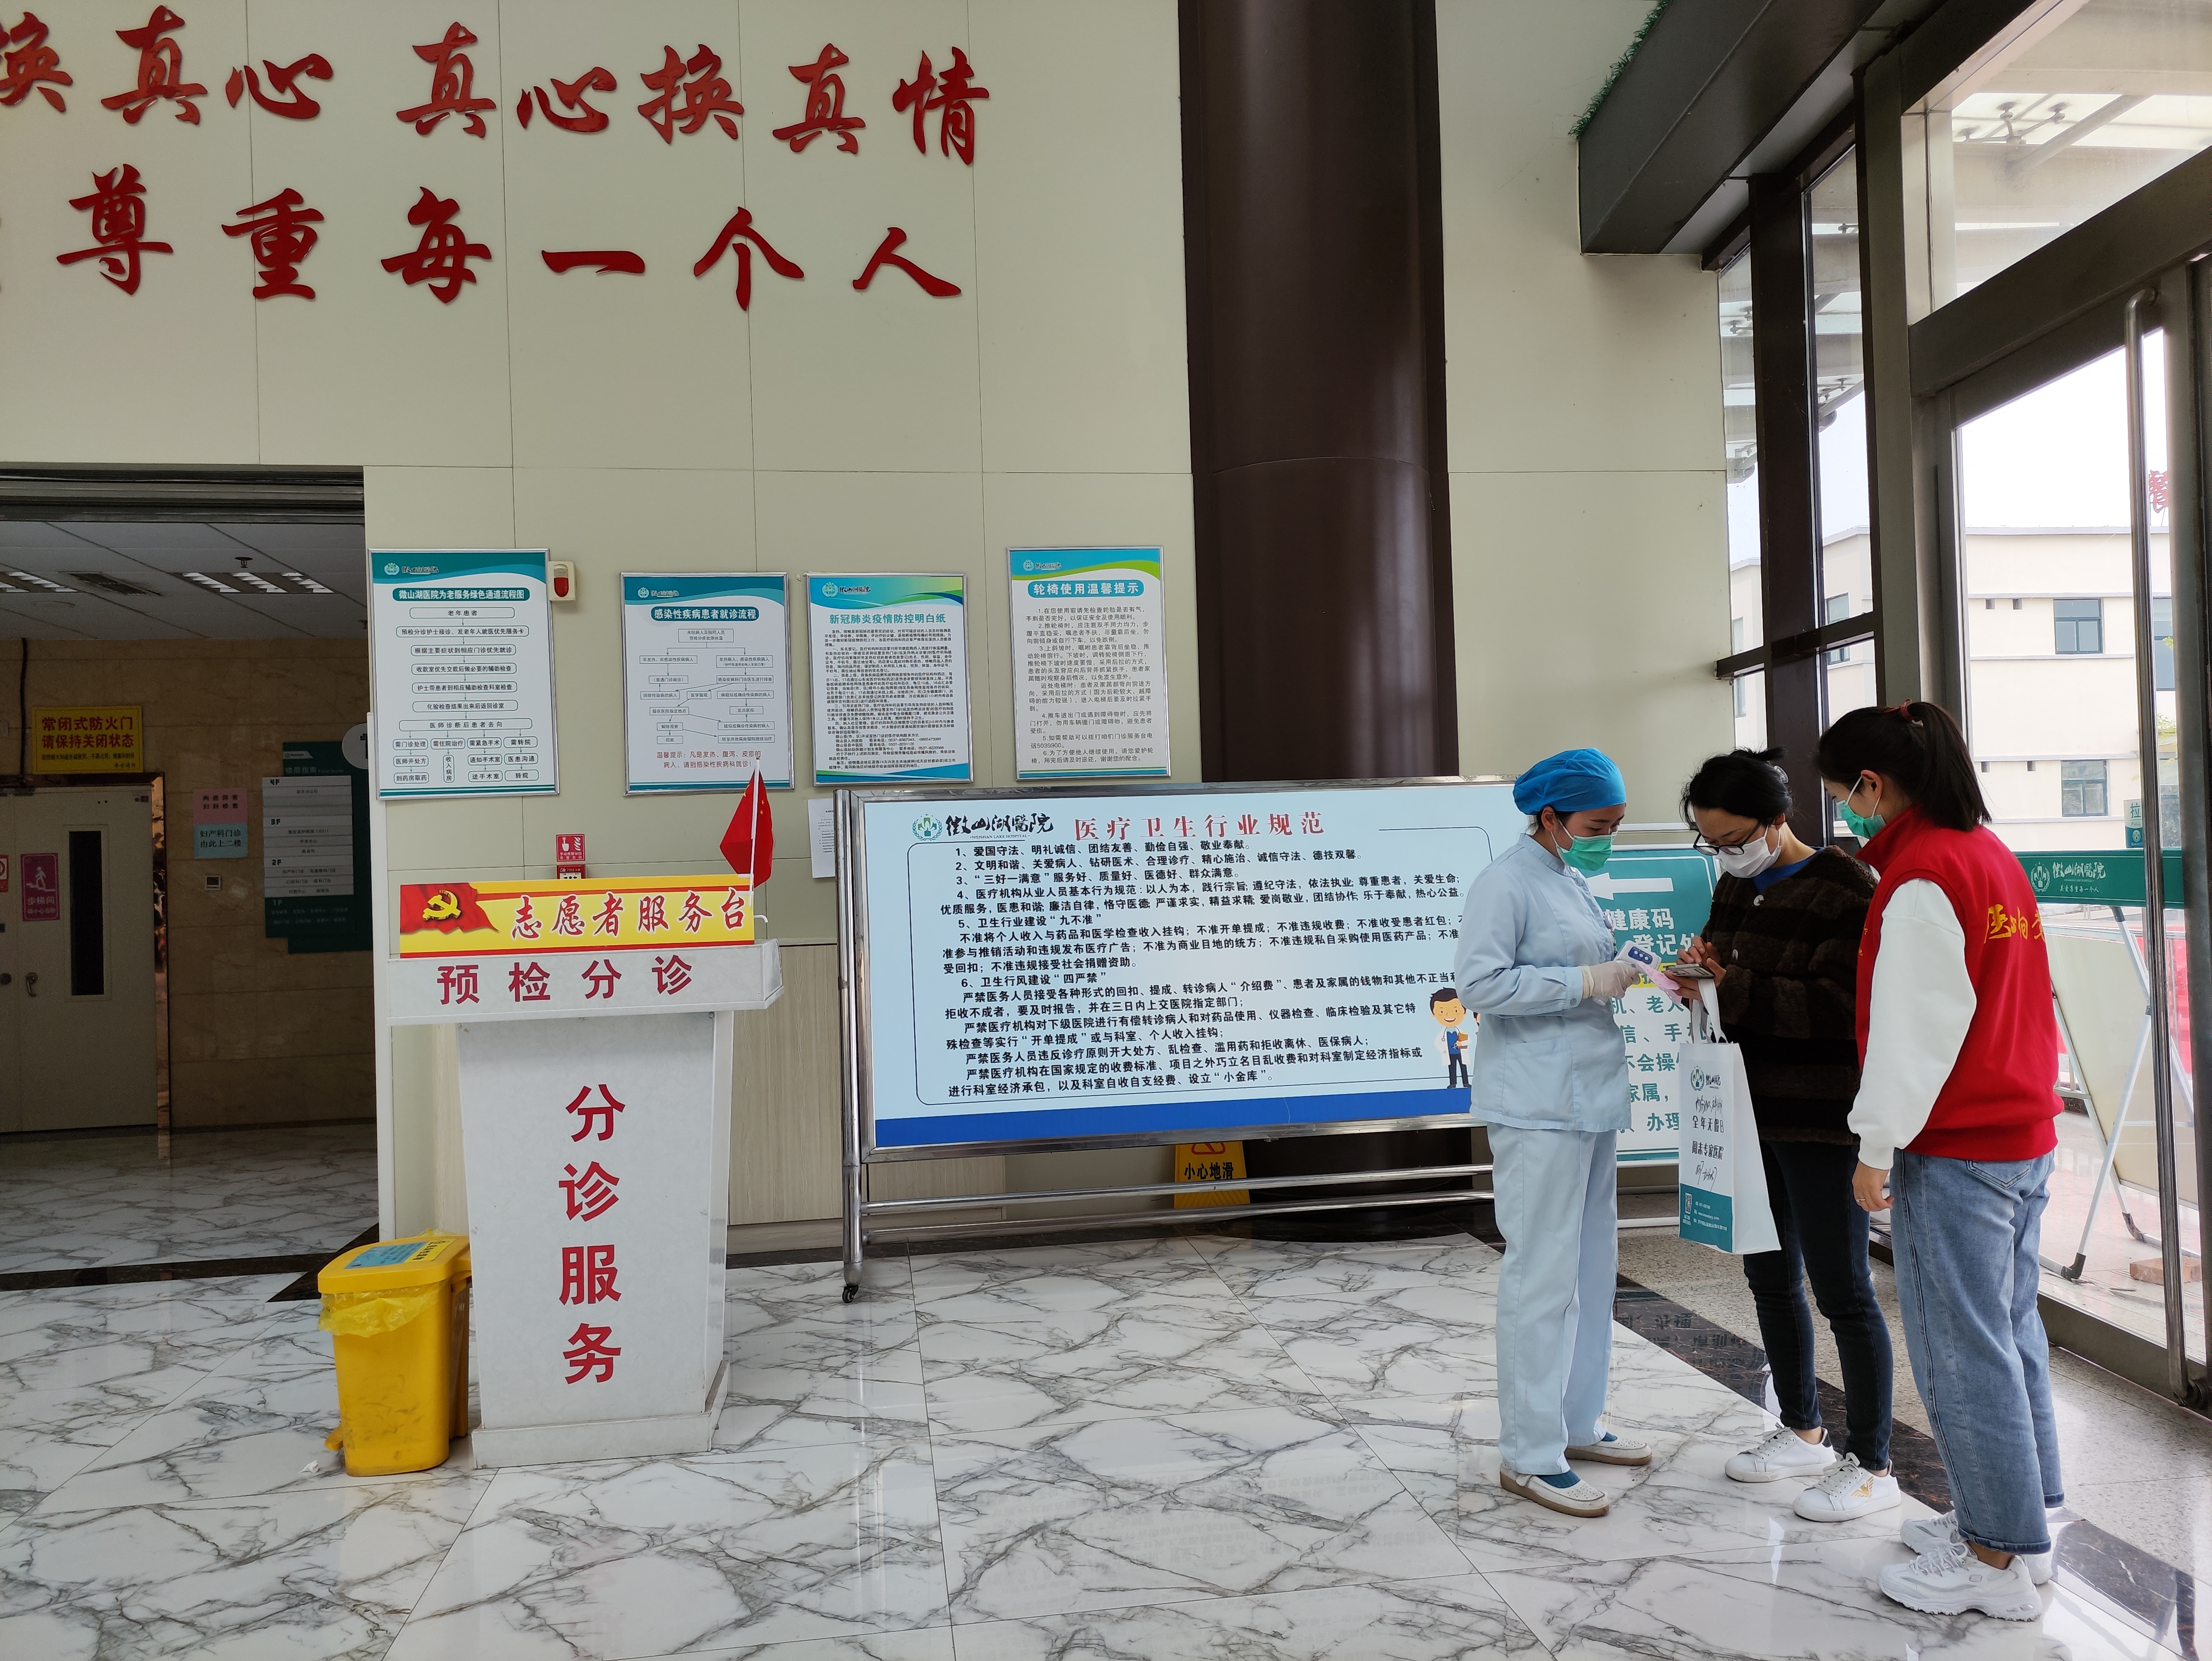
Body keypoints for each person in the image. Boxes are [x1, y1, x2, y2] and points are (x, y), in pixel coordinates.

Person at [1820, 702, 2061, 1622]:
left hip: (1958, 1144)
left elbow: (1909, 1034)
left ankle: (1992, 1557)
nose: (1842, 808)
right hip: (2019, 1132)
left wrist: (1873, 1146)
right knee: (2007, 1331)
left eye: (1842, 791)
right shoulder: (1987, 855)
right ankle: (2018, 1523)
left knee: (1960, 1350)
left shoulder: (1921, 874)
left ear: (1872, 783)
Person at [1676, 749, 1896, 1522]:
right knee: (1768, 1277)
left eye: (1733, 838)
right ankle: (1800, 1428)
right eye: (1709, 841)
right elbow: (1725, 969)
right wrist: (1698, 978)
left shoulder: (1845, 887)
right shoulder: (1737, 882)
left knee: (1843, 1290)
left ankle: (1871, 1460)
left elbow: (1839, 1006)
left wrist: (1731, 986)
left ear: (1775, 821)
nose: (1723, 854)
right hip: (1747, 1110)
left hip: (1820, 1116)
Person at [1456, 746, 1648, 1517]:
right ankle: (1529, 1454)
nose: (1607, 839)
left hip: (1590, 1098)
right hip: (1537, 1105)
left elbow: (1583, 969)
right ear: (1551, 817)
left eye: (1616, 825)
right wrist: (1585, 980)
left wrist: (1627, 968)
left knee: (1593, 1271)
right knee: (1541, 1278)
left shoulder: (1569, 878)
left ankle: (1576, 1423)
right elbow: (1479, 983)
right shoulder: (1506, 883)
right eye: (1597, 826)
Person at [1430, 987, 1472, 1088]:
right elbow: (1437, 1043)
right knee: (1452, 1068)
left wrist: (1461, 1044)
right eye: (1442, 1012)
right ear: (1434, 1015)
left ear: (1465, 1012)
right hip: (1450, 1054)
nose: (1449, 1015)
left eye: (1456, 1010)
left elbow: (1469, 1041)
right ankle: (1453, 1083)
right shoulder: (1443, 1034)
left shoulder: (1461, 1032)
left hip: (1460, 1053)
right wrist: (1444, 1050)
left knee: (1463, 1067)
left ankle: (1466, 1083)